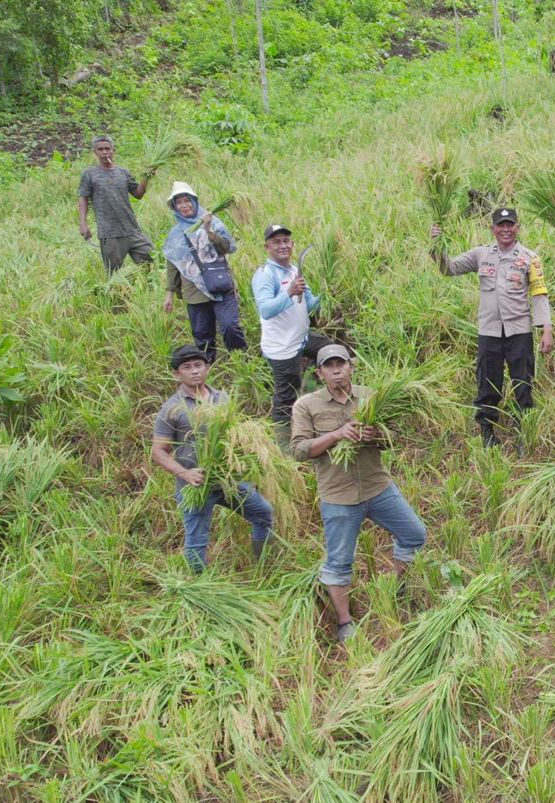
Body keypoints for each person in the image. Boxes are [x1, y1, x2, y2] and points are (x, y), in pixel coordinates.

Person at [290, 344, 429, 643]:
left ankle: (398, 588)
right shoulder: (306, 406)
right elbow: (299, 451)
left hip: (378, 486)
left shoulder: (370, 397)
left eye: (341, 363)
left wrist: (376, 435)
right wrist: (336, 435)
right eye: (329, 366)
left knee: (415, 534)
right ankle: (344, 622)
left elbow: (395, 439)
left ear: (351, 366)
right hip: (338, 496)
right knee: (339, 562)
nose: (336, 369)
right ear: (320, 373)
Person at [430, 207, 554, 447]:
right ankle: (487, 433)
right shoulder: (481, 254)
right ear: (493, 228)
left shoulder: (529, 257)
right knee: (487, 383)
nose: (505, 229)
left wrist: (546, 329)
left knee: (523, 383)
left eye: (510, 225)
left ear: (518, 227)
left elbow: (539, 294)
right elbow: (449, 269)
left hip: (520, 332)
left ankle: (523, 432)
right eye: (501, 225)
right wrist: (437, 244)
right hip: (489, 333)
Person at [151, 344, 275, 572]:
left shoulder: (223, 398)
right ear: (177, 374)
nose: (194, 371)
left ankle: (264, 567)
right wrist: (185, 473)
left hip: (229, 481)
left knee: (263, 513)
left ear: (207, 368)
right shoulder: (171, 409)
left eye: (199, 365)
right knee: (197, 539)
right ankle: (200, 588)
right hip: (195, 486)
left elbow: (236, 436)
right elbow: (158, 452)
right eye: (187, 367)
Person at [251, 223, 327, 433]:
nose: (282, 245)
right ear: (267, 247)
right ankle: (283, 443)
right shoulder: (265, 274)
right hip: (282, 348)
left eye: (286, 241)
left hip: (301, 339)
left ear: (292, 244)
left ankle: (311, 396)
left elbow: (309, 303)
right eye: (276, 242)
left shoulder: (294, 270)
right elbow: (265, 309)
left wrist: (327, 295)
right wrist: (289, 292)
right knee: (285, 396)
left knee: (327, 351)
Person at [161, 182, 246, 362]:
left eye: (187, 201)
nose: (184, 205)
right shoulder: (176, 233)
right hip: (193, 289)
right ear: (175, 207)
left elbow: (227, 248)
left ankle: (243, 362)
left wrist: (209, 231)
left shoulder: (213, 222)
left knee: (230, 327)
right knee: (202, 335)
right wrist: (169, 293)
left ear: (195, 201)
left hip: (219, 282)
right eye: (179, 203)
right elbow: (173, 263)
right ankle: (207, 370)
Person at [77, 136, 154, 274]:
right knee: (114, 274)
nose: (105, 152)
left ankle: (146, 292)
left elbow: (138, 194)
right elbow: (83, 198)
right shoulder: (90, 174)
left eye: (108, 149)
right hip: (110, 232)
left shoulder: (123, 173)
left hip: (132, 229)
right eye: (100, 149)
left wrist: (146, 177)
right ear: (95, 152)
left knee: (150, 262)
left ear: (113, 151)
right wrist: (82, 222)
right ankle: (120, 295)